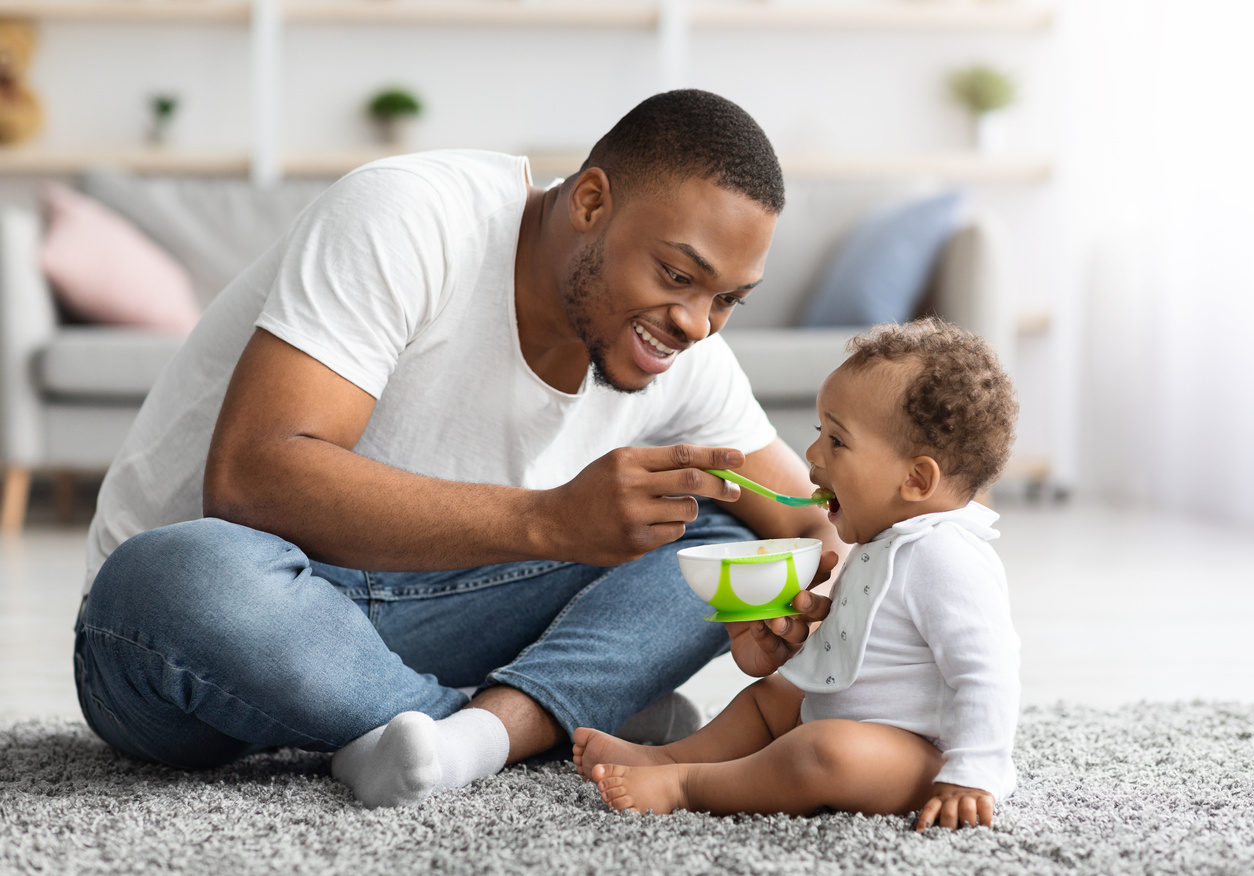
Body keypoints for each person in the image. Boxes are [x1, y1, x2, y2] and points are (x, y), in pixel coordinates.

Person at [73, 90, 846, 809]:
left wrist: (820, 603)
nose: (697, 324)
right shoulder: (411, 216)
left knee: (722, 534)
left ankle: (454, 734)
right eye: (678, 275)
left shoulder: (680, 350)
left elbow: (808, 523)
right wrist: (549, 521)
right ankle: (530, 718)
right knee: (174, 577)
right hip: (214, 640)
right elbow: (249, 479)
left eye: (727, 302)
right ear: (589, 202)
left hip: (434, 620)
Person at [573, 318, 1021, 831]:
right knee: (775, 698)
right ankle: (672, 758)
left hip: (922, 758)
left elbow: (989, 671)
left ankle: (687, 786)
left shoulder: (946, 555)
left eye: (837, 441)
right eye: (818, 433)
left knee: (821, 750)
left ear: (916, 479)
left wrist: (970, 774)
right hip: (856, 726)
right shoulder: (887, 539)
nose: (812, 457)